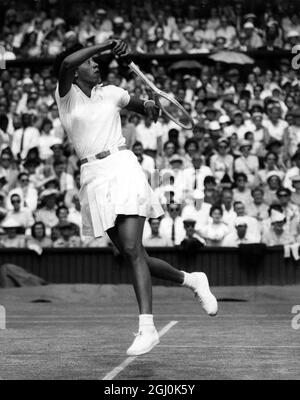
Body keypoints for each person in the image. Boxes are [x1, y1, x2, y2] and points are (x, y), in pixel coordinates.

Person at [54, 39, 217, 356]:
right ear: (76, 72)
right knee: (133, 254)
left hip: (123, 166)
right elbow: (66, 64)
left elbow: (145, 108)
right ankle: (192, 279)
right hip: (92, 177)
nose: (96, 64)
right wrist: (104, 45)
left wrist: (154, 107)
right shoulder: (65, 95)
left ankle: (147, 328)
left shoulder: (113, 92)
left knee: (130, 248)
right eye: (91, 63)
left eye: (98, 61)